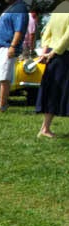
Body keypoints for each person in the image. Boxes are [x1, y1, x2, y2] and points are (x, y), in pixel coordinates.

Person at [0, 0, 29, 113]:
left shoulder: (20, 8)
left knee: (3, 78)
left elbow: (19, 30)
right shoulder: (9, 8)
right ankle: (0, 100)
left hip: (7, 46)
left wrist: (13, 46)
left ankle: (2, 105)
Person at [35, 0, 69, 137]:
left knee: (52, 91)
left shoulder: (60, 7)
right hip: (63, 54)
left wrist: (45, 51)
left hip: (52, 54)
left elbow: (47, 31)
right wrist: (54, 52)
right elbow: (67, 36)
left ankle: (45, 127)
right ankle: (44, 129)